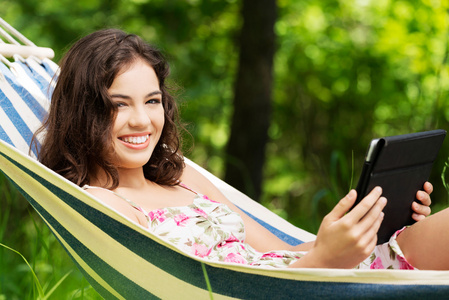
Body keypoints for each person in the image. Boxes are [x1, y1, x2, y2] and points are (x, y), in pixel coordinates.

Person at [36, 29, 448, 270]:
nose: (142, 120)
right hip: (312, 285)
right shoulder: (102, 204)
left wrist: (355, 228)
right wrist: (325, 261)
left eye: (152, 100)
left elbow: (280, 252)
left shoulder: (179, 173)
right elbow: (199, 292)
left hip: (325, 271)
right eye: (118, 104)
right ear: (83, 112)